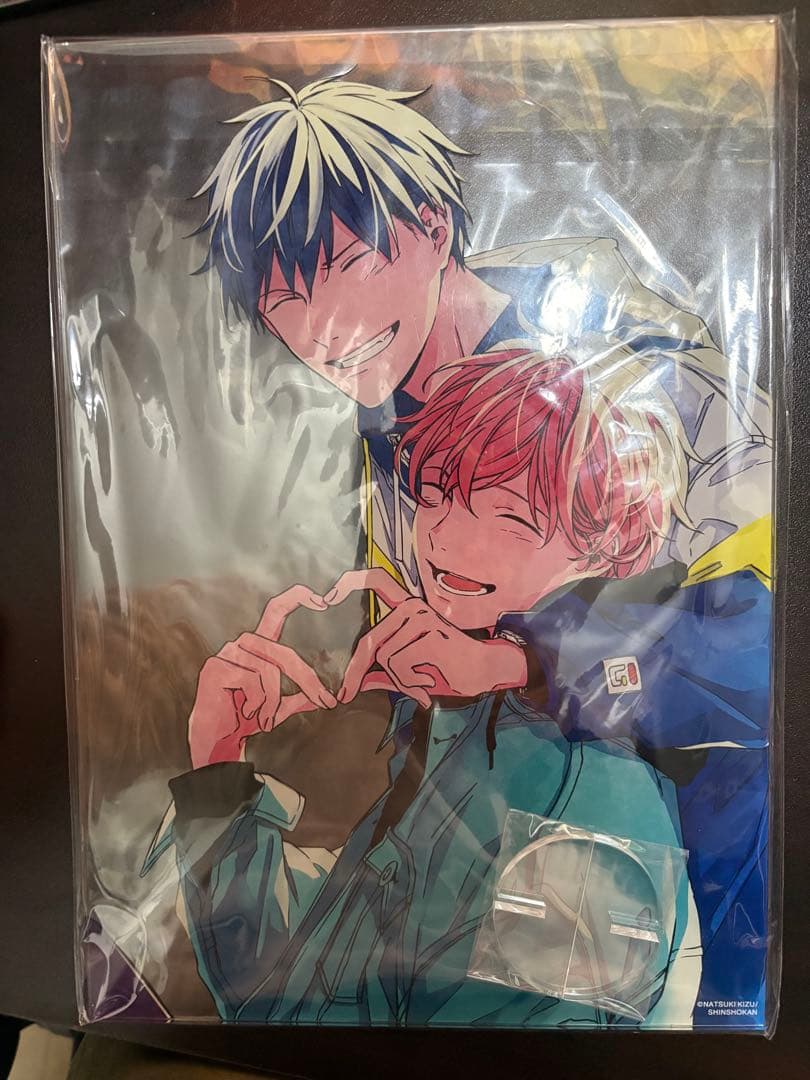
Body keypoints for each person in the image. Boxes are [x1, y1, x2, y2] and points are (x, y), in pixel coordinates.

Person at [194, 74, 772, 1021]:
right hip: (486, 889)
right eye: (283, 300)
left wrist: (521, 660)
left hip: (702, 895)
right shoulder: (386, 425)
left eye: (347, 264)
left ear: (433, 229)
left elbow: (762, 643)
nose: (320, 329)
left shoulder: (638, 362)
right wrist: (340, 712)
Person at [146, 348, 708, 1027]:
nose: (446, 538)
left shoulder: (584, 785)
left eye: (510, 517)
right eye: (436, 494)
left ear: (609, 549)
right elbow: (282, 994)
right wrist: (219, 764)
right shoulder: (447, 729)